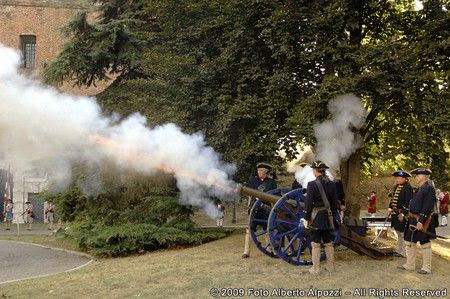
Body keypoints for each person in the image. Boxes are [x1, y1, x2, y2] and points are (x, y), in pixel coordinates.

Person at [303, 161, 338, 275]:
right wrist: (333, 216)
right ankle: (330, 267)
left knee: (315, 243)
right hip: (328, 217)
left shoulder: (312, 184)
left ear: (315, 171)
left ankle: (316, 269)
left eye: (313, 169)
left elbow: (308, 204)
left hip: (317, 218)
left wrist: (306, 218)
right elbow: (334, 203)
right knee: (328, 242)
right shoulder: (332, 184)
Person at [400, 168, 437, 274]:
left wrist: (421, 221)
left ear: (424, 176)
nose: (415, 177)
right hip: (412, 219)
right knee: (409, 241)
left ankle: (426, 268)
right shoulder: (419, 189)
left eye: (417, 175)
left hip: (422, 220)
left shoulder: (429, 188)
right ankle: (410, 265)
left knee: (425, 243)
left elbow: (427, 206)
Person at [242, 162, 277, 258]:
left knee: (267, 229)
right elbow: (250, 194)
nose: (259, 172)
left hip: (266, 208)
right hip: (255, 208)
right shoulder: (252, 180)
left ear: (266, 172)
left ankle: (270, 250)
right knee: (249, 229)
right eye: (258, 170)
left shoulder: (271, 182)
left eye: (261, 170)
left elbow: (274, 196)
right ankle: (246, 252)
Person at [389, 170, 414, 257]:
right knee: (398, 233)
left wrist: (403, 214)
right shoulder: (397, 186)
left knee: (403, 233)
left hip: (402, 214)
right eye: (397, 178)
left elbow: (408, 203)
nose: (397, 179)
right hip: (395, 213)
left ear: (405, 179)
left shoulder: (408, 188)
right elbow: (393, 199)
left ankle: (404, 252)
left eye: (399, 178)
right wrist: (390, 208)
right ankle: (399, 250)